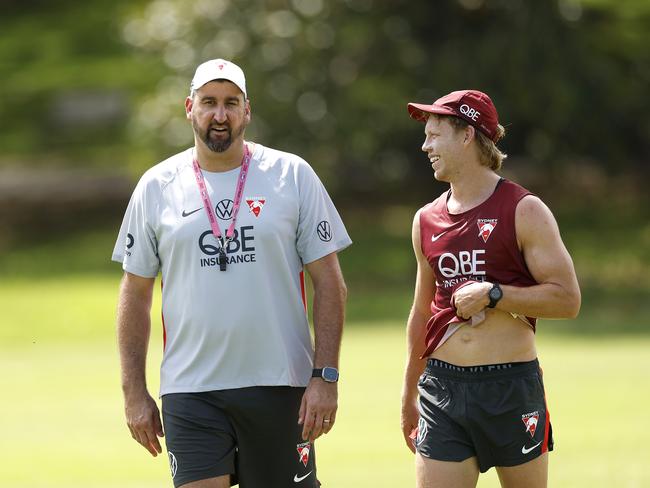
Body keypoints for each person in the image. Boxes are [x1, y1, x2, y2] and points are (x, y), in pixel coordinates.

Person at [112, 58, 351, 488]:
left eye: (230, 103)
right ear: (190, 107)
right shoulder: (157, 185)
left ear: (247, 111)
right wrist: (134, 391)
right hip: (191, 388)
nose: (219, 115)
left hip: (280, 384)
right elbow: (135, 293)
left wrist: (325, 377)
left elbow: (330, 283)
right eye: (208, 102)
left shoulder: (291, 175)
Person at [400, 90, 581, 488]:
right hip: (442, 389)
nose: (425, 145)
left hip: (510, 388)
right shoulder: (425, 219)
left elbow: (567, 298)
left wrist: (495, 294)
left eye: (435, 135)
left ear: (467, 134)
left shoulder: (524, 209)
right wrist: (408, 391)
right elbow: (421, 313)